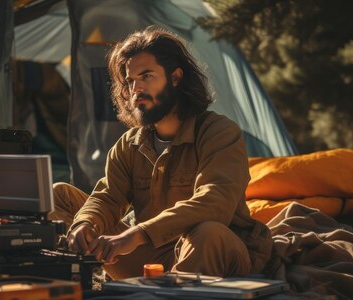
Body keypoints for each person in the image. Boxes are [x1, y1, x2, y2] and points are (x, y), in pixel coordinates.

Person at [50, 26, 274, 280]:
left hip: (208, 252)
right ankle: (71, 281)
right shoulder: (129, 144)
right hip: (149, 259)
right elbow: (109, 198)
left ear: (176, 78)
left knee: (208, 232)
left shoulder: (218, 132)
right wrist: (85, 225)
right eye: (130, 80)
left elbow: (216, 202)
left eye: (146, 76)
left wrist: (137, 234)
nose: (136, 89)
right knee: (58, 196)